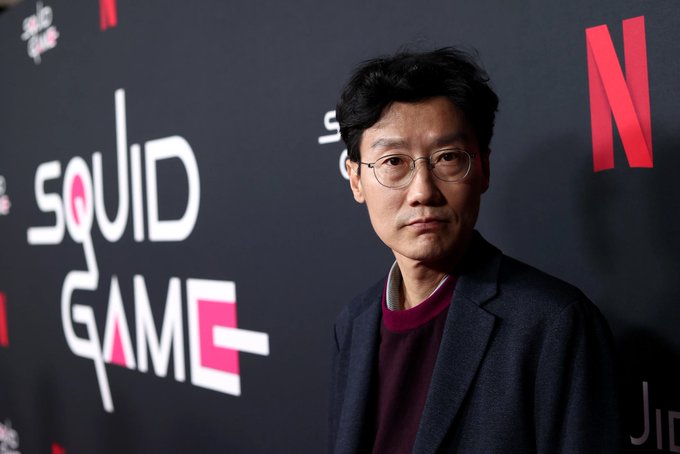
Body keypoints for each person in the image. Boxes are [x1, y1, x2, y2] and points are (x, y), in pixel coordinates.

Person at [328, 47, 625, 453]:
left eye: (447, 158)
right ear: (355, 180)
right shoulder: (353, 324)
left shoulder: (553, 325)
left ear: (483, 167)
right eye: (394, 162)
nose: (422, 191)